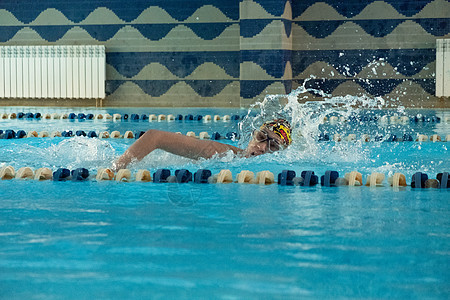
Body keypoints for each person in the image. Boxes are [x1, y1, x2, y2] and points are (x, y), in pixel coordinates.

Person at [112, 119, 292, 170]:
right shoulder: (222, 153)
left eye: (273, 146)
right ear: (253, 135)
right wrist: (116, 168)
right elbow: (154, 137)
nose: (261, 147)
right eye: (261, 136)